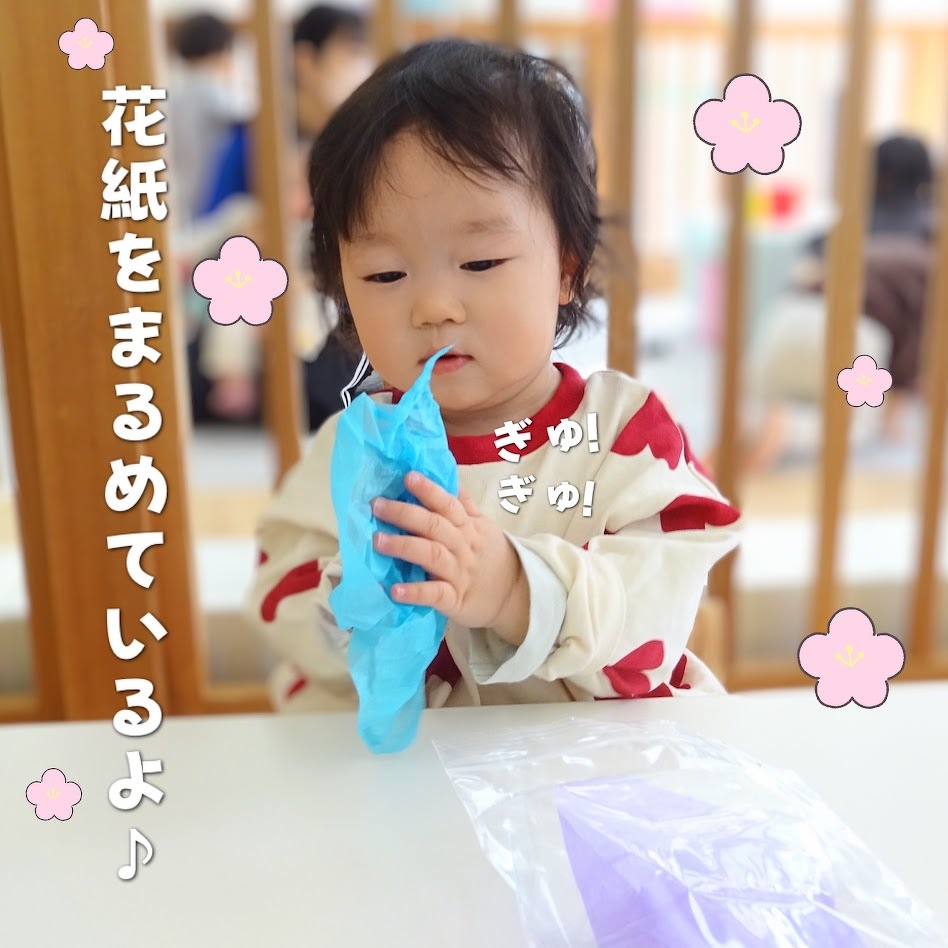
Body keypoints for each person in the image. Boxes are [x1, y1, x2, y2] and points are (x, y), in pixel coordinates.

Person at [246, 39, 741, 713]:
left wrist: (514, 588)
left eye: (479, 263)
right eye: (385, 274)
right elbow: (279, 594)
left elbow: (657, 604)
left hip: (595, 762)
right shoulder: (355, 448)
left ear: (566, 268)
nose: (433, 307)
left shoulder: (625, 435)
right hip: (412, 769)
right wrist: (350, 602)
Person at [730, 134, 937, 473]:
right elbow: (918, 335)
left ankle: (748, 425)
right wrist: (896, 409)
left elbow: (806, 265)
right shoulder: (930, 236)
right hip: (856, 332)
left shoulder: (849, 222)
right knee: (854, 422)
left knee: (764, 399)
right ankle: (789, 429)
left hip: (787, 316)